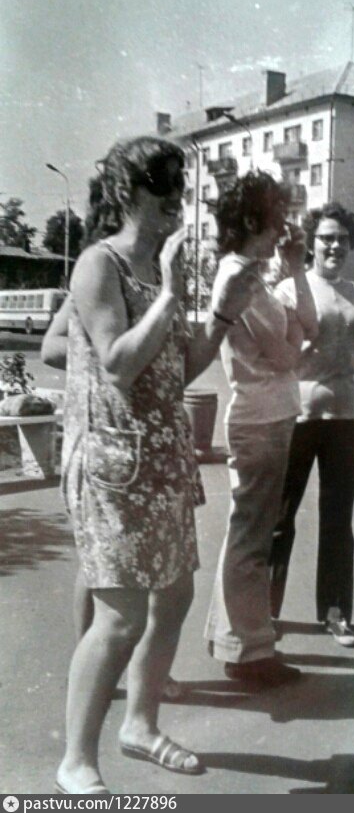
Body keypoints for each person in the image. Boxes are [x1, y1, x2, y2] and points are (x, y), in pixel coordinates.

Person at [55, 136, 256, 793]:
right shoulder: (100, 263)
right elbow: (118, 363)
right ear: (125, 191)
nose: (175, 197)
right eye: (160, 184)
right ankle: (76, 760)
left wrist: (222, 310)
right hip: (113, 463)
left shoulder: (159, 265)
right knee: (120, 617)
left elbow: (179, 368)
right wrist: (172, 292)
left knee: (175, 595)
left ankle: (140, 725)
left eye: (179, 185)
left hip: (164, 456)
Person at [204, 171, 318, 687]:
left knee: (249, 533)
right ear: (253, 222)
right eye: (276, 222)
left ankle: (237, 641)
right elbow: (290, 353)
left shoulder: (255, 275)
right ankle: (248, 654)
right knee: (251, 538)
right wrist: (295, 337)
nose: (283, 231)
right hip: (260, 420)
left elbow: (308, 326)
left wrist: (294, 271)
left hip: (270, 415)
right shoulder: (241, 277)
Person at [41, 291, 184, 701]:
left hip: (152, 436)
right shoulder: (99, 279)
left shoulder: (154, 284)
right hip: (106, 436)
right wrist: (116, 360)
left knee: (156, 564)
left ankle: (144, 669)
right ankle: (92, 667)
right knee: (99, 564)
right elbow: (51, 347)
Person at [269, 202, 354, 646]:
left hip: (346, 418)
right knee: (280, 517)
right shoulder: (289, 289)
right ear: (312, 244)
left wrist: (344, 370)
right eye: (327, 238)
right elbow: (275, 350)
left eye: (343, 239)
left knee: (338, 519)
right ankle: (264, 614)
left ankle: (335, 613)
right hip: (295, 416)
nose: (335, 246)